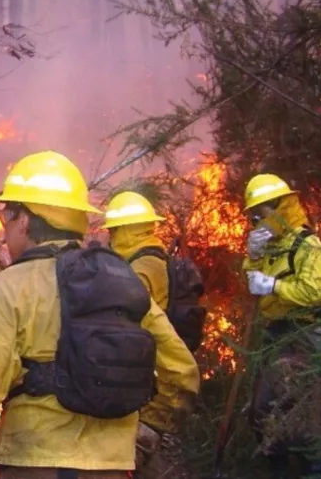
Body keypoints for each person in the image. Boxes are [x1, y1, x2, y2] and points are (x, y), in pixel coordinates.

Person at [0, 151, 200, 479]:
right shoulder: (123, 281)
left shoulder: (11, 286)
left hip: (34, 463)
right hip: (111, 467)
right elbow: (182, 372)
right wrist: (146, 431)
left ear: (26, 221)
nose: (4, 229)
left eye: (7, 217)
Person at [103, 191, 205, 478]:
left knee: (144, 462)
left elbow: (120, 317)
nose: (109, 237)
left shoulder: (142, 267)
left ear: (124, 230)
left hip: (153, 380)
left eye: (113, 230)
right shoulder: (149, 257)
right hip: (155, 375)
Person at [241, 174, 321, 478]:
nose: (256, 221)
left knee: (308, 411)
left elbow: (316, 292)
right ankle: (277, 469)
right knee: (265, 409)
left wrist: (275, 285)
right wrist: (253, 258)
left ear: (279, 207)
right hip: (275, 334)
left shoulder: (307, 244)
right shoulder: (270, 246)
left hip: (305, 334)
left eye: (259, 213)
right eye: (253, 215)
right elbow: (251, 284)